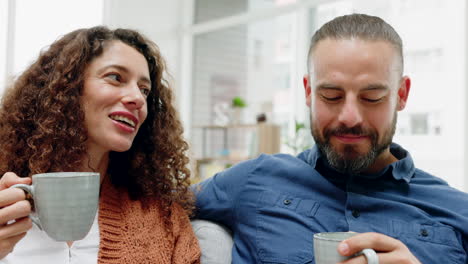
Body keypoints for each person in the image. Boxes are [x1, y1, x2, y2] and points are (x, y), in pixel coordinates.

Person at [194, 14, 468, 263]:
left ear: (402, 95)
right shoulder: (255, 179)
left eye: (372, 97)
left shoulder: (458, 210)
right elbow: (155, 206)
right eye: (331, 96)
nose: (350, 117)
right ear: (309, 92)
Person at [0, 26, 200, 263]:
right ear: (66, 86)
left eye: (144, 90)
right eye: (115, 77)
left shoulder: (165, 220)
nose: (137, 98)